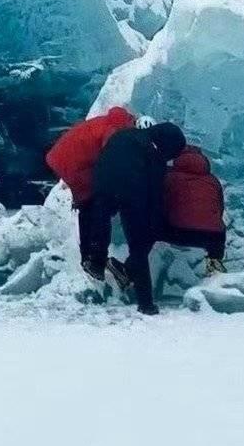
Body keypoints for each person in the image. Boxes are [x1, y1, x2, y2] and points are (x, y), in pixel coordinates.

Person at [84, 120, 187, 315]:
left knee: (102, 220)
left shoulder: (121, 135)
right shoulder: (153, 154)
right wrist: (156, 219)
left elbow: (105, 163)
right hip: (132, 194)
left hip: (103, 187)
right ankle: (146, 303)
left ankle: (99, 261)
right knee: (139, 246)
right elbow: (154, 193)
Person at [45, 105, 136, 278]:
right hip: (75, 165)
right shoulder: (115, 130)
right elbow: (110, 158)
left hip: (63, 158)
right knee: (98, 207)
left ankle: (88, 256)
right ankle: (95, 259)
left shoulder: (104, 122)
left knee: (88, 204)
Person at [162, 144, 226, 274]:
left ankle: (132, 269)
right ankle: (215, 261)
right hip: (211, 237)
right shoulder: (213, 181)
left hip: (176, 233)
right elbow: (219, 208)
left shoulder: (169, 177)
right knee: (219, 230)